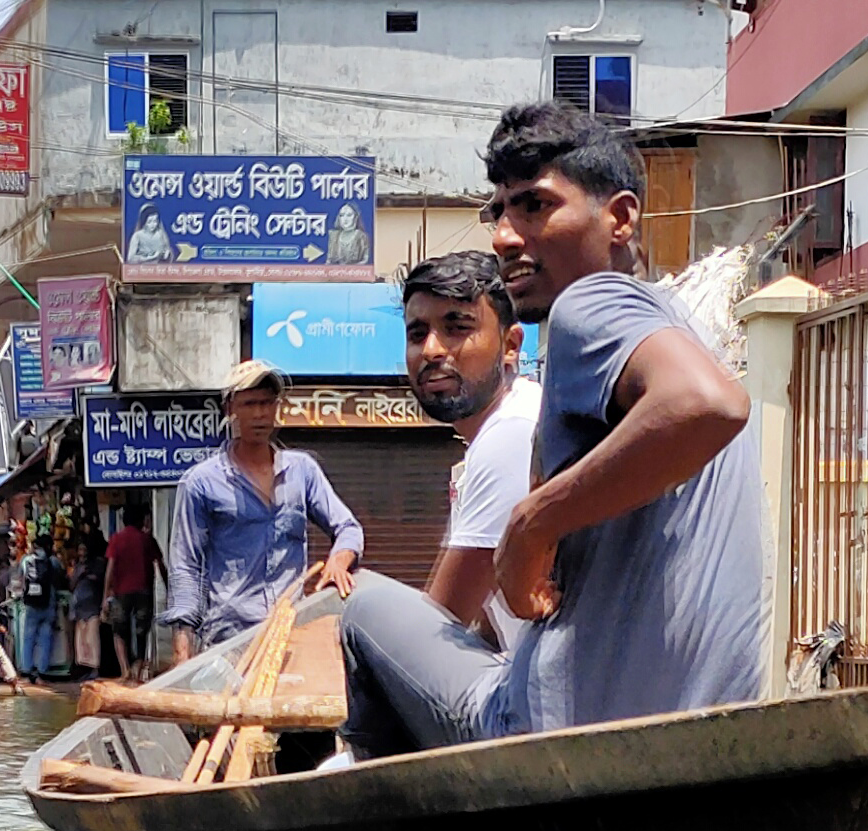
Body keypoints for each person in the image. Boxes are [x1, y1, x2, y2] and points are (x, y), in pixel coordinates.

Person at [339, 101, 764, 757]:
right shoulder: (681, 324)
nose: (506, 236)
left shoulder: (587, 304)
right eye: (499, 213)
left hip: (557, 734)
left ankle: (378, 822)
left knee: (363, 607)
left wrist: (532, 522)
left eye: (534, 207)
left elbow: (710, 405)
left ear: (619, 218)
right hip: (709, 733)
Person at [163, 360, 362, 665]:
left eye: (267, 403)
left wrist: (339, 559)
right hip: (229, 639)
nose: (260, 413)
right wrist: (182, 651)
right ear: (230, 408)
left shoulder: (302, 471)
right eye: (250, 404)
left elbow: (347, 527)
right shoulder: (201, 482)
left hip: (290, 633)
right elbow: (186, 566)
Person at [401, 250, 541, 645]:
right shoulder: (495, 432)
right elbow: (477, 616)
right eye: (417, 334)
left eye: (457, 327)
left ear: (511, 345)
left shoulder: (512, 434)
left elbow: (439, 628)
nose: (431, 350)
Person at [100, 507, 158, 679]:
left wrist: (105, 596)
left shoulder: (116, 539)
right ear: (141, 521)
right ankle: (138, 668)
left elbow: (110, 569)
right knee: (141, 631)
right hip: (144, 591)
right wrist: (170, 590)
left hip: (121, 592)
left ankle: (125, 669)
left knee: (119, 630)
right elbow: (160, 564)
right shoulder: (147, 540)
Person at [13, 534, 64, 681]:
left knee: (28, 637)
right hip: (49, 604)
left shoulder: (26, 560)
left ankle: (26, 669)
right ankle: (42, 670)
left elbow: (20, 580)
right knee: (45, 638)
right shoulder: (53, 561)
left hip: (31, 605)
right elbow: (60, 578)